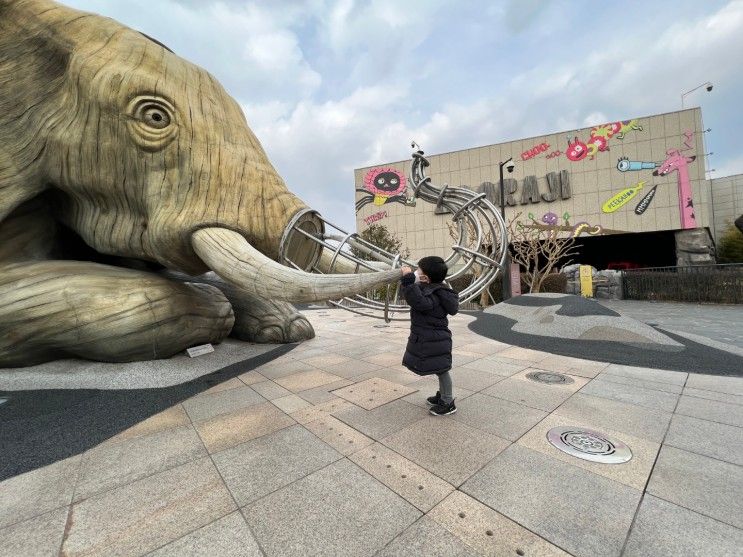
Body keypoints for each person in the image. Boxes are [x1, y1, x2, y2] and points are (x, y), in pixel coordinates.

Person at [399, 256, 459, 416]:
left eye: (418, 270)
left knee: (442, 370)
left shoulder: (433, 294)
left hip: (434, 339)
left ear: (426, 277)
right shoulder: (434, 288)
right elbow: (412, 296)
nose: (416, 272)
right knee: (439, 368)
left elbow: (419, 301)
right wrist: (409, 283)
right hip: (433, 338)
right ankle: (443, 395)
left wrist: (408, 281)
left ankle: (448, 402)